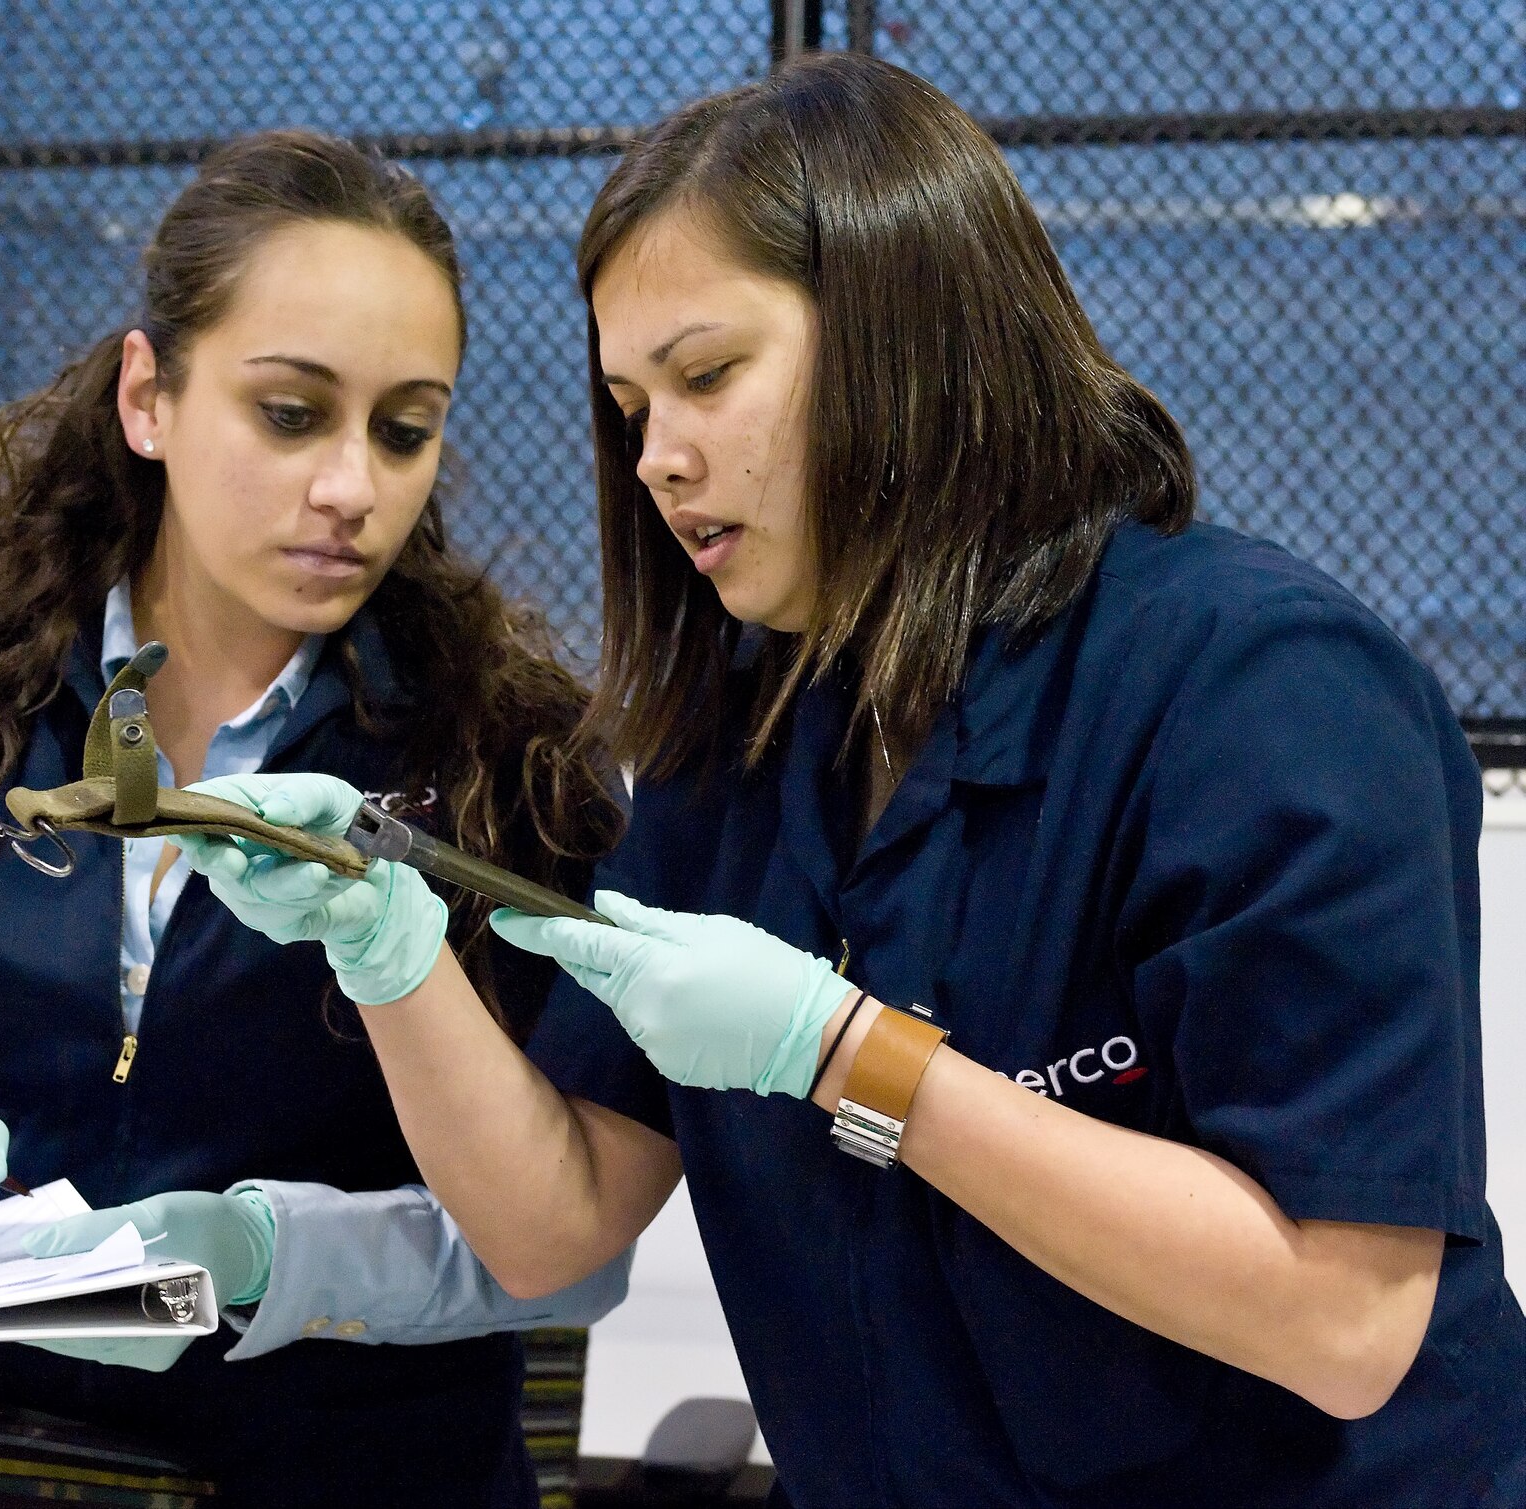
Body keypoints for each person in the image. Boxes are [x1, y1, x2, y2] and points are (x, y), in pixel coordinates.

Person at [166, 57, 1526, 1508]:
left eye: (705, 377)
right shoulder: (740, 752)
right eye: (630, 406)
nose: (658, 461)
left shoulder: (1258, 692)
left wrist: (851, 1053)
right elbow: (554, 1223)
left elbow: (1346, 1318)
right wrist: (386, 948)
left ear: (909, 330)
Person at [0, 129, 629, 1508]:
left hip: (350, 1471)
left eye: (405, 427)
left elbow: (571, 1247)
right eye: (293, 413)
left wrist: (261, 1254)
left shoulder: (514, 765)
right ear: (148, 396)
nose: (354, 486)